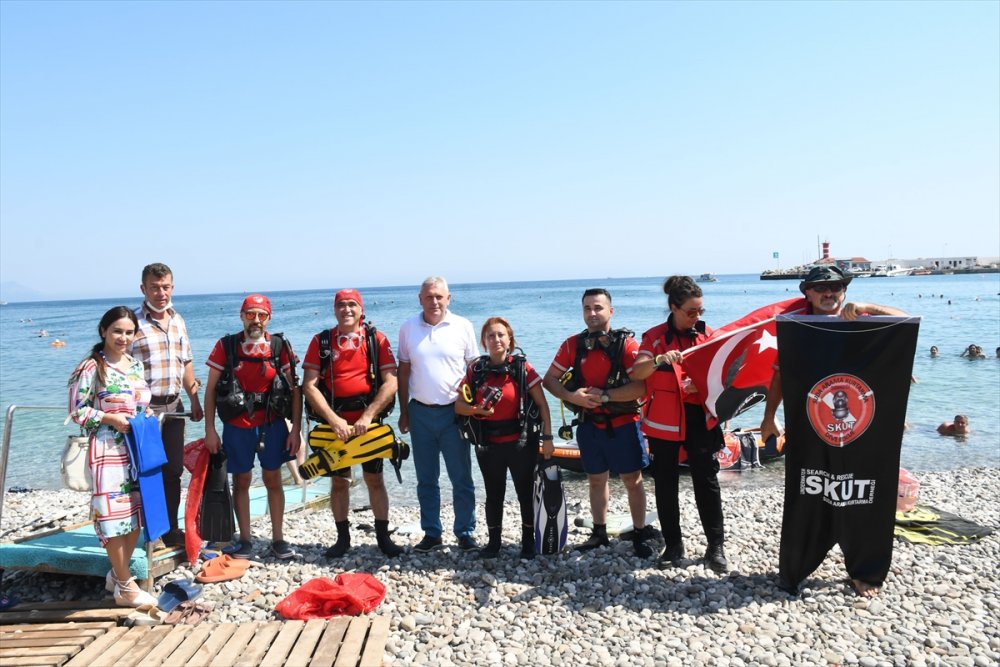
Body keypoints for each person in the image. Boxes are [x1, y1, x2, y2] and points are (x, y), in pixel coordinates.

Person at [760, 265, 906, 597]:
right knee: (809, 493)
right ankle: (796, 567)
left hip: (864, 431)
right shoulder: (798, 329)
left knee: (866, 495)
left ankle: (864, 570)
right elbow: (781, 374)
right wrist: (769, 416)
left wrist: (873, 309)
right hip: (811, 428)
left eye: (837, 287)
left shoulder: (865, 321)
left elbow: (906, 322)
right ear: (806, 292)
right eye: (821, 287)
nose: (830, 293)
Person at [541, 288, 653, 558]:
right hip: (589, 425)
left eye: (598, 308)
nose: (592, 313)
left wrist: (604, 396)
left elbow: (641, 387)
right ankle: (599, 533)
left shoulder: (626, 346)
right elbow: (549, 379)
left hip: (624, 423)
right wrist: (571, 397)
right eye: (587, 308)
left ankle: (639, 532)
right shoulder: (572, 345)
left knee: (632, 480)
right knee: (595, 479)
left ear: (611, 311)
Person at [631, 276, 728, 572]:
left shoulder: (707, 334)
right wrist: (659, 359)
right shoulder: (655, 338)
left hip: (699, 419)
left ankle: (716, 546)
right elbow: (638, 372)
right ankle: (673, 545)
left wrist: (703, 387)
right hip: (664, 423)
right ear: (673, 307)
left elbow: (723, 375)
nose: (696, 317)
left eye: (700, 311)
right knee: (665, 485)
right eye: (690, 311)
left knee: (707, 483)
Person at [301, 289, 403, 558]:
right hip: (335, 424)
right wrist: (333, 420)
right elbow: (309, 386)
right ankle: (342, 538)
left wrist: (368, 416)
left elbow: (391, 381)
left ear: (361, 309)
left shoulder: (376, 339)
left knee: (375, 479)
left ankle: (383, 538)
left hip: (368, 424)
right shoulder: (321, 341)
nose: (347, 310)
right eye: (341, 305)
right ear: (335, 310)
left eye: (352, 305)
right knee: (339, 482)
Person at [68, 306, 158, 607]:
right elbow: (76, 411)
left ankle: (118, 576)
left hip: (137, 449)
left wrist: (149, 415)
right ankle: (124, 585)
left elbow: (141, 402)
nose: (123, 337)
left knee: (135, 516)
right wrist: (110, 419)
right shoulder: (92, 367)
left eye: (129, 332)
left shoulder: (135, 365)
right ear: (103, 331)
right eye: (117, 331)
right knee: (111, 516)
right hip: (107, 450)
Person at [202, 294, 302, 559]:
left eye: (262, 315)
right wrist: (209, 430)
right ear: (241, 316)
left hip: (272, 424)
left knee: (273, 478)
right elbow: (210, 390)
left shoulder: (279, 346)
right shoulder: (227, 346)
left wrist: (295, 430)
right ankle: (245, 540)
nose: (256, 320)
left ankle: (278, 539)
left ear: (269, 318)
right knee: (241, 479)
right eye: (250, 314)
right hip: (237, 426)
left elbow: (295, 391)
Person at [455, 317, 554, 559]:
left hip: (521, 443)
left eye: (501, 335)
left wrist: (548, 437)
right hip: (488, 444)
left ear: (510, 339)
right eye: (491, 336)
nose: (496, 339)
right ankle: (494, 543)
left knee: (525, 493)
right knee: (494, 493)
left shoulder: (523, 369)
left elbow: (542, 405)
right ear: (483, 341)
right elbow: (458, 406)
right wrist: (475, 410)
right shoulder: (476, 370)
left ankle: (528, 542)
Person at [397, 277, 481, 552]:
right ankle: (432, 532)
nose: (434, 301)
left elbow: (474, 369)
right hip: (420, 412)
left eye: (439, 297)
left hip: (454, 413)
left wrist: (473, 407)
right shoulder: (408, 328)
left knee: (461, 478)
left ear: (449, 298)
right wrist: (404, 411)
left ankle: (465, 532)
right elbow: (404, 371)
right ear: (420, 299)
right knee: (426, 479)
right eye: (429, 296)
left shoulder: (463, 326)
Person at [130, 263, 203, 547]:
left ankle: (171, 529)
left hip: (174, 406)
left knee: (173, 471)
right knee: (146, 472)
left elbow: (186, 362)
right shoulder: (132, 322)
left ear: (172, 287)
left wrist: (194, 399)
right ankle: (151, 533)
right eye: (154, 287)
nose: (161, 293)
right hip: (144, 411)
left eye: (166, 287)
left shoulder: (178, 320)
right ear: (143, 288)